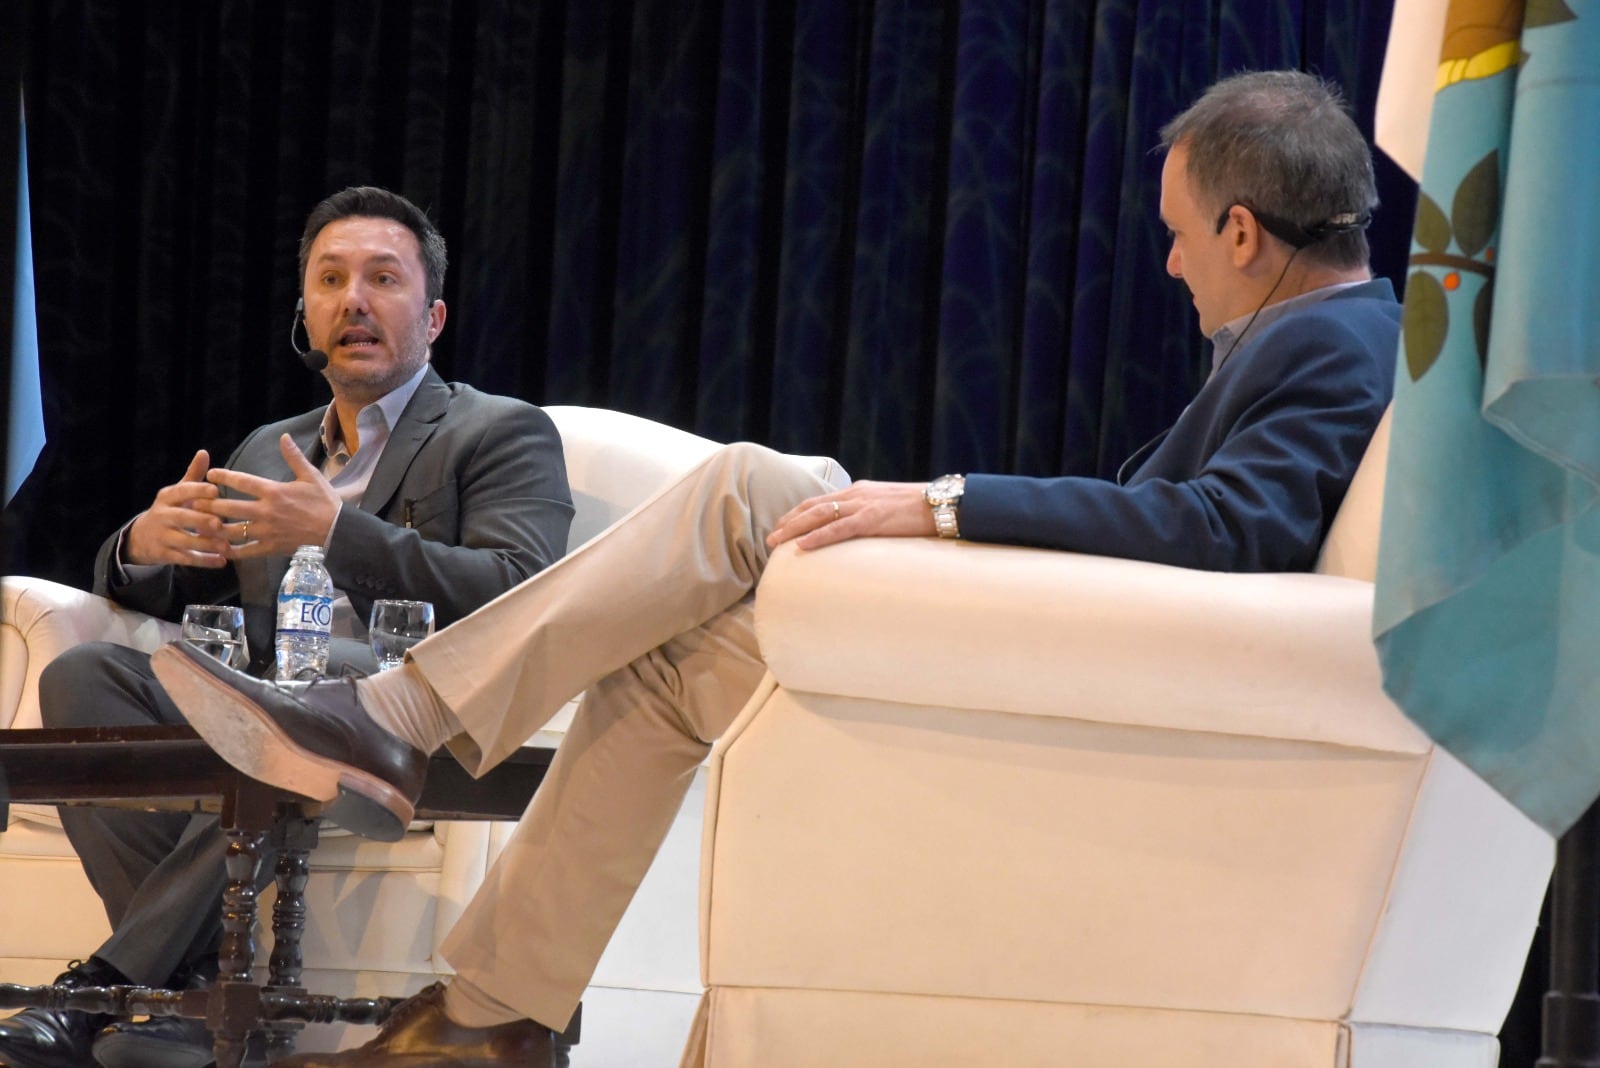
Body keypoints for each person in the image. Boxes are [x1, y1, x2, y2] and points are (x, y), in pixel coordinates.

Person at [150, 70, 1400, 1066]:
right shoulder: (1307, 335)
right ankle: (487, 1019)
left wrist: (946, 505)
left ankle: (400, 716)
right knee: (665, 670)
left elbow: (1228, 527)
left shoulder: (1342, 339)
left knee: (753, 482)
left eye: (1181, 237)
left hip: (1096, 649)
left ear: (1244, 228)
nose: (1173, 263)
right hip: (1077, 632)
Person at [0, 187, 574, 1068]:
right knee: (83, 679)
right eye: (331, 279)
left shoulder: (497, 432)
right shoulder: (270, 449)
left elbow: (522, 586)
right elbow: (189, 590)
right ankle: (194, 997)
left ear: (433, 315)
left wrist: (339, 532)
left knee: (297, 708)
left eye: (384, 279)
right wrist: (144, 549)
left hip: (402, 723)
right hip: (268, 703)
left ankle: (107, 986)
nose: (355, 301)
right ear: (305, 313)